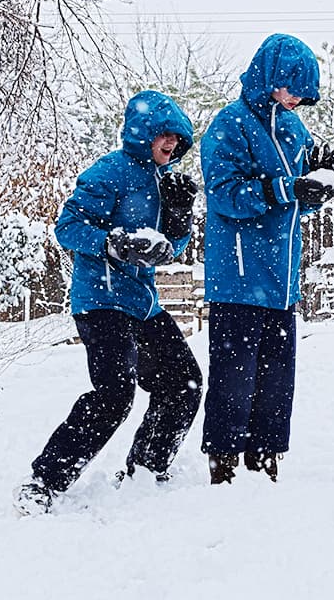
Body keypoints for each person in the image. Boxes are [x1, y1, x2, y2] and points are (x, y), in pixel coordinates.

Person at [18, 90, 203, 511]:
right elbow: (67, 228)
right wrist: (115, 244)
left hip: (142, 303)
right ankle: (44, 480)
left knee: (183, 383)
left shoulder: (165, 181)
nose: (172, 144)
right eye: (165, 135)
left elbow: (170, 247)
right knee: (115, 393)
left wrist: (178, 218)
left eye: (178, 138)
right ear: (143, 134)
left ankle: (146, 469)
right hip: (100, 300)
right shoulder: (109, 172)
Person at [199, 33, 334, 484]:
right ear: (269, 79)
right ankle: (223, 457)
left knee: (277, 377)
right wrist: (287, 188)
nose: (299, 98)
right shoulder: (231, 124)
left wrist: (322, 181)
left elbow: (299, 200)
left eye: (305, 92)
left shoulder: (296, 129)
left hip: (282, 279)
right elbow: (224, 196)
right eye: (292, 87)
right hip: (239, 275)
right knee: (234, 374)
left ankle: (265, 454)